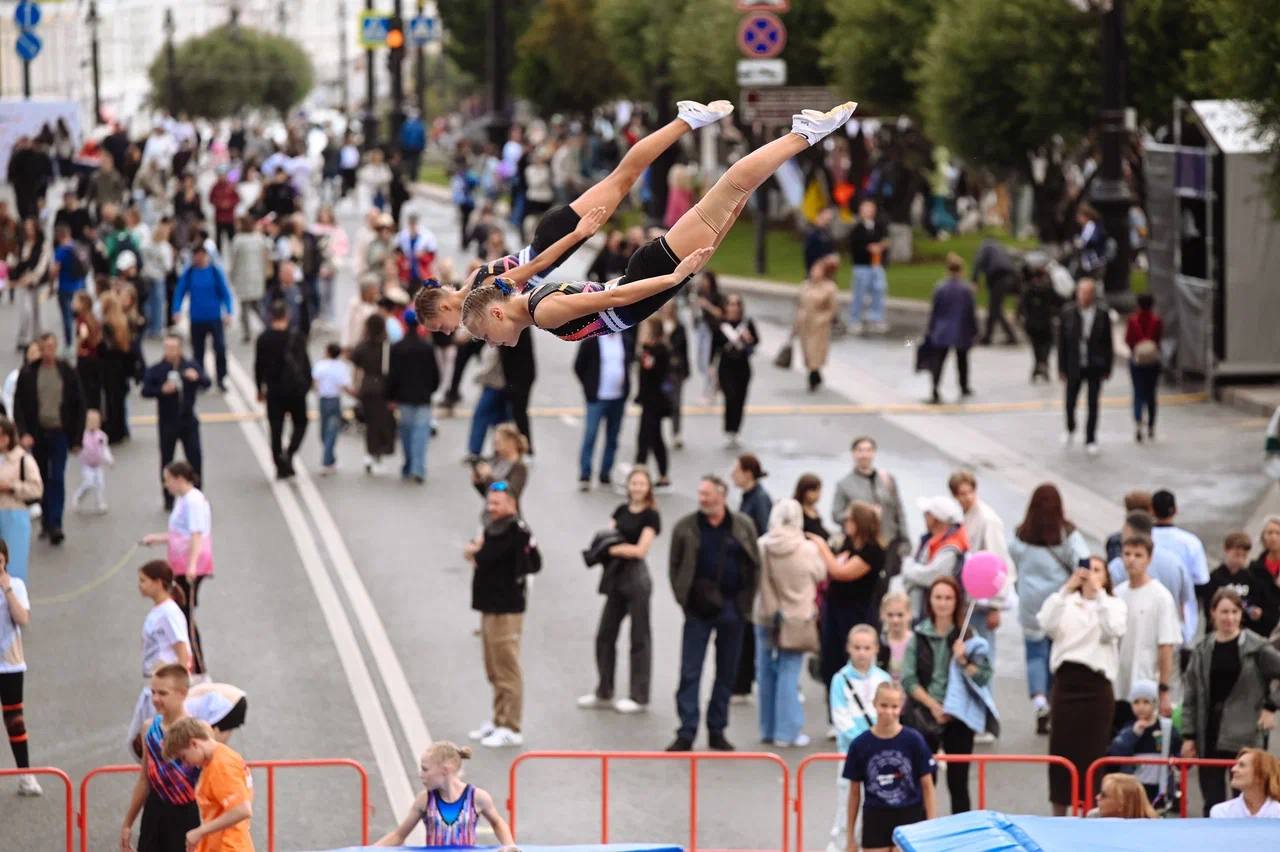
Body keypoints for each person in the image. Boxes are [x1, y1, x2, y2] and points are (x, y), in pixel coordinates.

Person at [460, 104, 859, 347]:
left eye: (484, 337)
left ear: (497, 316)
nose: (490, 344)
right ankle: (797, 133)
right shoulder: (532, 309)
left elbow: (615, 300)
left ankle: (803, 133)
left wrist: (674, 279)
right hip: (652, 278)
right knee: (735, 201)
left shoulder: (544, 312)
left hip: (652, 273)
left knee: (731, 188)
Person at [412, 99, 737, 334]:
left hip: (554, 237)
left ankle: (686, 120)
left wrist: (578, 234)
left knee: (623, 177)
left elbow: (537, 266)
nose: (445, 331)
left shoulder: (479, 288)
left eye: (439, 327)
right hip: (554, 237)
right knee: (622, 177)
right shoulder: (475, 290)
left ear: (443, 307)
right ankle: (685, 121)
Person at [667, 475, 761, 752]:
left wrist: (746, 603)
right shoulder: (686, 527)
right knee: (690, 671)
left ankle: (717, 729)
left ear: (722, 495)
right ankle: (686, 730)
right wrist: (684, 599)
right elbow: (674, 566)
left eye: (707, 494)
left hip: (733, 609)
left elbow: (754, 563)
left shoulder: (742, 526)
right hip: (698, 611)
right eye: (700, 493)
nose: (702, 499)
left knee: (726, 673)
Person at [1037, 555, 1127, 815]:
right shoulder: (1065, 602)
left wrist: (1098, 596)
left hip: (1096, 686)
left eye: (1098, 570)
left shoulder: (1113, 604)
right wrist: (1067, 588)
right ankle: (1058, 813)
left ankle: (1090, 810)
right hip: (1067, 683)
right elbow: (1046, 623)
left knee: (1092, 752)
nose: (1091, 575)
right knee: (1062, 749)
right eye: (1088, 569)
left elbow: (1114, 629)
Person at [1181, 588, 1280, 814]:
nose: (1229, 618)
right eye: (1224, 612)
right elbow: (1191, 693)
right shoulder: (1202, 649)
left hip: (1246, 734)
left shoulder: (1258, 648)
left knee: (1247, 802)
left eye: (1235, 612)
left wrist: (1271, 706)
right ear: (1213, 613)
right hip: (1210, 733)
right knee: (1212, 803)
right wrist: (1189, 735)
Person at [902, 575, 989, 813]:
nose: (943, 603)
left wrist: (963, 660)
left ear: (956, 602)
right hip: (924, 714)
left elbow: (983, 676)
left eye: (948, 598)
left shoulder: (969, 636)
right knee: (924, 780)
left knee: (958, 782)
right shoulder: (918, 635)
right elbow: (908, 679)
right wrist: (933, 705)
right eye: (938, 597)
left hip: (959, 716)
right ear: (930, 601)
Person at [464, 482, 542, 748]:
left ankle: (512, 726)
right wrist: (477, 552)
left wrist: (477, 552)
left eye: (497, 503)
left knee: (507, 667)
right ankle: (497, 719)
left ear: (512, 503)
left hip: (507, 608)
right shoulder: (493, 527)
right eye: (490, 502)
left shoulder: (516, 531)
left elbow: (530, 562)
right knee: (493, 667)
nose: (492, 507)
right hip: (489, 605)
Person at [1009, 483, 1090, 734]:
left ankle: (1039, 700)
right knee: (1058, 656)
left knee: (1035, 654)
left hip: (1030, 604)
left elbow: (1014, 558)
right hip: (1060, 603)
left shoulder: (1021, 535)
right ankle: (1055, 702)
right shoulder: (1066, 534)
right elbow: (1084, 560)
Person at [579, 467, 659, 715]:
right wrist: (612, 547)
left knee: (639, 637)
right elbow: (609, 534)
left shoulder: (651, 516)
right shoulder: (621, 510)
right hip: (616, 578)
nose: (636, 488)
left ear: (648, 488)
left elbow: (639, 550)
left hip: (637, 579)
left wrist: (612, 549)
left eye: (641, 484)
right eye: (633, 483)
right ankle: (604, 688)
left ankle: (639, 695)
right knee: (605, 635)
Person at [753, 499, 825, 747]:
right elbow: (820, 574)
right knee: (789, 671)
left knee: (765, 671)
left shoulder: (763, 545)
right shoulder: (807, 549)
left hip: (767, 613)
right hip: (797, 617)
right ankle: (788, 732)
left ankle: (768, 729)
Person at [842, 682, 937, 852]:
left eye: (894, 706)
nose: (888, 712)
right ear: (874, 704)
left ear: (901, 707)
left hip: (910, 815)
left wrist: (931, 828)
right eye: (883, 705)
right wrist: (850, 837)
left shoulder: (914, 740)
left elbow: (928, 786)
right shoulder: (860, 745)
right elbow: (854, 794)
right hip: (875, 818)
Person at [141, 462, 213, 680]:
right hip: (180, 563)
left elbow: (196, 534)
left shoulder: (193, 501)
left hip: (190, 566)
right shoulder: (183, 500)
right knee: (183, 614)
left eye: (168, 479)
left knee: (186, 616)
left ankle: (199, 670)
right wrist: (158, 538)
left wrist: (191, 565)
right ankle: (191, 667)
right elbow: (180, 533)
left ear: (179, 478)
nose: (166, 484)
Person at [14, 332, 86, 546]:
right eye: (45, 347)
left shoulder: (66, 371)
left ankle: (56, 523)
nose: (48, 351)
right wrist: (24, 432)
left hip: (60, 432)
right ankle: (46, 520)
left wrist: (77, 438)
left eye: (52, 347)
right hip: (38, 434)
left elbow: (78, 403)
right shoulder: (28, 373)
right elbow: (20, 406)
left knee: (58, 477)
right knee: (42, 477)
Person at [121, 664, 202, 852]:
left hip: (186, 816)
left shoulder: (198, 732)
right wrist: (127, 823)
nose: (155, 699)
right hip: (153, 813)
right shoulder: (149, 728)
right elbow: (144, 780)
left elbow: (210, 784)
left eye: (163, 693)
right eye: (153, 693)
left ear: (182, 693)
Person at [375, 741, 516, 848]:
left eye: (425, 769)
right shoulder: (424, 800)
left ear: (445, 770)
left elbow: (497, 822)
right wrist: (368, 850)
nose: (420, 774)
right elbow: (399, 835)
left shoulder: (477, 797)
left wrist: (509, 846)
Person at [813, 503, 887, 701]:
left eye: (849, 519)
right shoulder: (848, 543)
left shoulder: (873, 551)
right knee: (830, 661)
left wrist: (821, 546)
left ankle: (857, 706)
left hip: (856, 612)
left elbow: (840, 572)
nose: (845, 523)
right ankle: (834, 710)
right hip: (834, 609)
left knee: (855, 660)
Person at [828, 625, 892, 852]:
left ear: (875, 648)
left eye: (867, 647)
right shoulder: (840, 680)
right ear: (848, 648)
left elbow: (889, 713)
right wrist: (867, 742)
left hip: (879, 754)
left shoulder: (883, 678)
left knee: (875, 806)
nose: (862, 653)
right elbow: (841, 718)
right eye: (857, 647)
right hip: (850, 754)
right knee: (846, 805)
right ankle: (839, 846)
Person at [1113, 535, 1181, 731]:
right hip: (1118, 686)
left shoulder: (1160, 597)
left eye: (1138, 555)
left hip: (1145, 685)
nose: (1131, 559)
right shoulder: (1117, 594)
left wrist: (1163, 688)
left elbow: (1166, 646)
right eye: (1127, 554)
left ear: (1149, 559)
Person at [127, 561, 192, 757]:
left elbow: (182, 649)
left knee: (152, 741)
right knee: (141, 741)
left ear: (158, 582)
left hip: (163, 685)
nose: (140, 585)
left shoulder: (169, 612)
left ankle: (158, 779)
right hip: (154, 683)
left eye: (143, 581)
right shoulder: (159, 610)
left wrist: (179, 683)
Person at [1105, 511, 1196, 647]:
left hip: (1129, 644)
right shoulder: (1175, 562)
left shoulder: (1119, 566)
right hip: (1170, 641)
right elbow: (1184, 606)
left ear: (1129, 531)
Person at [162, 718, 254, 851]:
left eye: (183, 757)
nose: (185, 764)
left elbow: (242, 809)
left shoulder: (221, 764)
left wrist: (200, 831)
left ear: (194, 744)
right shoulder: (219, 758)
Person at [141, 335, 209, 510]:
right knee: (166, 459)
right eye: (167, 348)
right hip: (167, 421)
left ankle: (196, 495)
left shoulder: (190, 365)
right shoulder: (157, 369)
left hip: (188, 419)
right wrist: (161, 390)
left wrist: (196, 378)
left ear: (180, 349)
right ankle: (168, 498)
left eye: (173, 348)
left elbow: (206, 381)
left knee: (195, 458)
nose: (170, 352)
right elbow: (145, 390)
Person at [831, 437, 909, 587]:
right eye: (860, 450)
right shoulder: (844, 484)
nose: (864, 455)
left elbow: (898, 510)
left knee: (885, 583)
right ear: (853, 453)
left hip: (888, 540)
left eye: (868, 450)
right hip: (863, 544)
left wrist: (905, 540)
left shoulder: (886, 479)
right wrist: (861, 515)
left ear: (873, 453)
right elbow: (836, 514)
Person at [731, 453, 772, 701]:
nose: (732, 474)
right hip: (745, 572)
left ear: (747, 473)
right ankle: (742, 680)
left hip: (751, 575)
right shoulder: (750, 497)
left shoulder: (759, 500)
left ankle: (744, 681)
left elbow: (762, 535)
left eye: (736, 469)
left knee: (747, 628)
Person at [254, 301, 311, 479]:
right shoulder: (297, 336)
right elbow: (305, 363)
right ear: (287, 316)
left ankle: (279, 463)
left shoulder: (264, 338)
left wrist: (259, 387)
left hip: (274, 389)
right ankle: (290, 453)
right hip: (295, 390)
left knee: (276, 428)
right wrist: (307, 384)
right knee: (300, 423)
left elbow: (258, 365)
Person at [0, 540, 39, 796]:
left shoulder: (17, 586)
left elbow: (22, 619)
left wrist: (7, 590)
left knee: (15, 721)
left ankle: (25, 775)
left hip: (10, 665)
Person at [574, 328, 635, 491]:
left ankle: (605, 473)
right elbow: (579, 366)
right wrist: (588, 386)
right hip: (597, 397)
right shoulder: (592, 340)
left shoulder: (625, 339)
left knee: (613, 437)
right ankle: (585, 473)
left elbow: (628, 364)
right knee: (591, 435)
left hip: (618, 397)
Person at [1108, 680, 1182, 811]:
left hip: (1159, 788)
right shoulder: (1128, 728)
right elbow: (1115, 752)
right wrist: (1133, 734)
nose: (1141, 707)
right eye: (1136, 702)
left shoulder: (1166, 727)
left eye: (1146, 702)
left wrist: (1181, 759)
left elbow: (1178, 753)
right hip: (1134, 787)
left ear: (1155, 703)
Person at [1057, 277, 1112, 454]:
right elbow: (1061, 343)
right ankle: (1070, 428)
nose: (1084, 297)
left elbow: (1108, 343)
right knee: (1070, 401)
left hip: (1094, 365)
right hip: (1074, 364)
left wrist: (1107, 367)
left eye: (1088, 293)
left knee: (1093, 403)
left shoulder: (1102, 314)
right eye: (1081, 292)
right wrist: (1061, 367)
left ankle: (1090, 437)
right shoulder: (1068, 313)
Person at [172, 244, 234, 392]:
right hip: (196, 318)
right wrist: (176, 309)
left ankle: (221, 378)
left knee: (219, 348)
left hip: (214, 317)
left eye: (201, 254)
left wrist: (229, 312)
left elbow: (225, 293)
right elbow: (179, 292)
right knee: (198, 352)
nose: (198, 258)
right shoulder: (190, 273)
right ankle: (201, 379)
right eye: (196, 255)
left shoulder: (214, 271)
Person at [386, 317, 440, 483]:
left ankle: (408, 464)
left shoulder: (397, 347)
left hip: (404, 398)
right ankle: (418, 467)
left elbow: (392, 375)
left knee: (406, 433)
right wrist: (430, 390)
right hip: (423, 397)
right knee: (421, 434)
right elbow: (435, 374)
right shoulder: (427, 347)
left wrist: (391, 396)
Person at [900, 495, 968, 617]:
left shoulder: (951, 548)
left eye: (927, 514)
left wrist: (908, 568)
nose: (924, 516)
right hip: (923, 606)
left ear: (936, 519)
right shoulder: (930, 538)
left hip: (934, 612)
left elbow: (931, 576)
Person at [923, 254, 977, 403]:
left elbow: (934, 311)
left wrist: (931, 328)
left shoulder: (940, 288)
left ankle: (934, 389)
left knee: (939, 361)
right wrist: (974, 330)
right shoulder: (966, 289)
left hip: (942, 330)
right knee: (962, 360)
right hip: (961, 329)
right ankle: (964, 386)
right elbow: (970, 312)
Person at [1150, 489, 1211, 615]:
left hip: (1148, 609)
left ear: (1152, 511)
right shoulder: (1191, 542)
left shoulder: (1143, 541)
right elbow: (1202, 581)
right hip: (1182, 613)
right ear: (1176, 510)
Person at [351, 314, 396, 474]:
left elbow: (356, 366)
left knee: (370, 422)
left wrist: (355, 385)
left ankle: (369, 453)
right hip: (383, 388)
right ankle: (378, 454)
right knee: (382, 422)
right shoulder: (387, 347)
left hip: (367, 386)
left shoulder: (362, 346)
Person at [0, 417, 41, 583]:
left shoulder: (23, 459)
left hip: (14, 514)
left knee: (13, 569)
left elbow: (36, 489)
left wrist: (11, 487)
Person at [1205, 531, 1270, 634]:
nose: (1240, 559)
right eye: (1236, 555)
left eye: (1244, 556)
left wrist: (1256, 612)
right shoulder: (1215, 578)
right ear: (1226, 550)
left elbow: (1256, 600)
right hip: (1220, 630)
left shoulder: (1250, 578)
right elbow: (1208, 608)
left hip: (1244, 630)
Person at [633, 317, 673, 486]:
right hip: (649, 400)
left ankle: (639, 471)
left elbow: (651, 371)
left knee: (646, 436)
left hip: (654, 401)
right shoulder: (650, 349)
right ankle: (662, 474)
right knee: (655, 438)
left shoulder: (658, 350)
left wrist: (645, 350)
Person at [716, 294, 758, 446]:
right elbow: (715, 346)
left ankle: (736, 429)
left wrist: (749, 339)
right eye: (730, 304)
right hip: (726, 367)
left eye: (736, 304)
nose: (733, 307)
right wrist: (710, 368)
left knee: (740, 399)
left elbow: (756, 341)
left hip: (742, 366)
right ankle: (728, 428)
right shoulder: (721, 324)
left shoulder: (747, 323)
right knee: (730, 397)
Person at [794, 254, 838, 391]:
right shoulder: (805, 285)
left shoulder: (829, 288)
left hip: (819, 325)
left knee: (815, 352)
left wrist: (823, 319)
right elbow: (800, 304)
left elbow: (832, 309)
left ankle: (813, 377)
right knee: (807, 352)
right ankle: (815, 373)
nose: (814, 272)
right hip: (805, 324)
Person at [847, 199, 890, 335]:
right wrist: (868, 249)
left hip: (876, 265)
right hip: (862, 266)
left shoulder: (878, 226)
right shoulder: (857, 229)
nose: (868, 212)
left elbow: (885, 241)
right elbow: (854, 247)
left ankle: (875, 318)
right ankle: (854, 320)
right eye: (866, 209)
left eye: (870, 209)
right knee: (859, 293)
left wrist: (881, 247)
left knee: (879, 290)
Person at [1125, 293, 1162, 443]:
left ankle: (1139, 421)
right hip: (1153, 362)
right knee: (1151, 393)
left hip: (1137, 361)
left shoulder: (1133, 321)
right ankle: (1152, 425)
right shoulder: (1157, 321)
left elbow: (1128, 340)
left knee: (1138, 392)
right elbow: (1159, 339)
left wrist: (1137, 349)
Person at [228, 216, 269, 343]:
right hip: (257, 276)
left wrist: (231, 276)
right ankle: (266, 325)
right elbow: (265, 256)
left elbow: (233, 261)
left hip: (243, 277)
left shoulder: (238, 240)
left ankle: (247, 332)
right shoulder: (259, 239)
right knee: (257, 305)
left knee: (245, 306)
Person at [312, 343, 351, 474]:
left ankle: (328, 460)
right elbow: (345, 385)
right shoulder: (341, 367)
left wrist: (317, 390)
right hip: (334, 400)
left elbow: (314, 381)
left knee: (325, 431)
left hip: (323, 400)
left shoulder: (320, 365)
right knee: (331, 431)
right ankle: (329, 459)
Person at [972, 238, 1019, 345]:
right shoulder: (1000, 247)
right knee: (996, 309)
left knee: (994, 308)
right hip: (1011, 278)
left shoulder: (984, 247)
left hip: (999, 279)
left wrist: (974, 280)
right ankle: (1009, 336)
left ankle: (988, 337)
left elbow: (978, 262)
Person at [1208, 748, 1280, 819]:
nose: (1233, 769)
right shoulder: (1221, 811)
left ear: (1260, 774)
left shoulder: (1277, 813)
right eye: (1236, 764)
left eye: (1242, 765)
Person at [470, 424, 529, 507]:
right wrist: (479, 483)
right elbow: (490, 494)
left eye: (498, 443)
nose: (495, 447)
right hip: (492, 514)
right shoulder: (496, 460)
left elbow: (510, 493)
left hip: (508, 516)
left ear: (510, 442)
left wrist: (488, 476)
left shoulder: (519, 468)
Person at [50, 224, 88, 346]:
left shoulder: (61, 250)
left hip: (65, 288)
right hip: (80, 286)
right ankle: (82, 340)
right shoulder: (77, 246)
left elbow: (54, 270)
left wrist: (51, 286)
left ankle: (69, 344)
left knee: (67, 317)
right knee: (80, 317)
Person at [72, 408, 112, 513]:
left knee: (100, 484)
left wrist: (109, 460)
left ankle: (100, 503)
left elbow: (104, 449)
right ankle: (78, 496)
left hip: (98, 465)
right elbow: (78, 448)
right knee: (89, 483)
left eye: (96, 421)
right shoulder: (82, 436)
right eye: (90, 421)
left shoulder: (102, 436)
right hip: (86, 465)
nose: (93, 424)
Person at [1247, 516, 1280, 638]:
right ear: (1263, 537)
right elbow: (1247, 599)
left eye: (1278, 533)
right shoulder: (1254, 568)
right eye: (1270, 533)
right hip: (1261, 631)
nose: (1274, 537)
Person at [1090, 773, 1159, 819]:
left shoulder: (1154, 826)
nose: (1097, 797)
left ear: (1122, 802)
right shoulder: (1092, 818)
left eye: (1104, 795)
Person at [803, 208, 836, 277]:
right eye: (827, 214)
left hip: (827, 269)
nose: (830, 217)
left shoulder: (827, 231)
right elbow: (809, 251)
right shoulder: (812, 230)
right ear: (821, 214)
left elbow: (830, 248)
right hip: (815, 268)